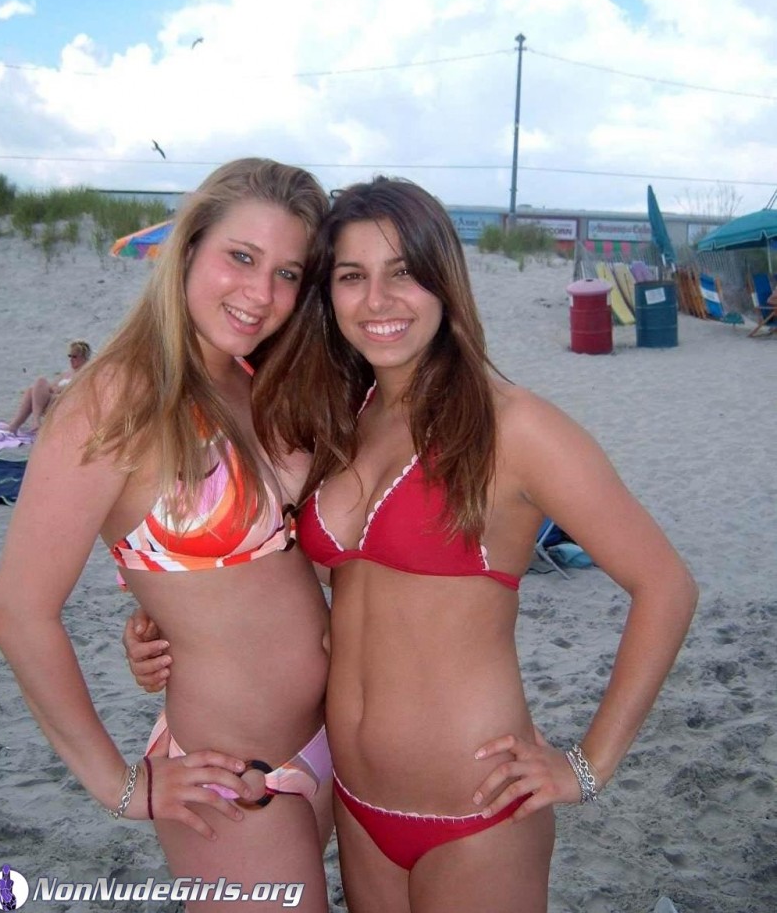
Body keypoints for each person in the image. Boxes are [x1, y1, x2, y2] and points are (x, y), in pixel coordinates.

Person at [127, 176, 698, 912]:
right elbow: (298, 577)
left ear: (443, 281)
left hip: (475, 810)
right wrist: (163, 623)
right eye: (352, 277)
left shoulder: (516, 427)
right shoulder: (346, 416)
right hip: (360, 806)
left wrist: (588, 766)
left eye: (403, 273)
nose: (378, 302)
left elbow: (665, 586)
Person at [0, 159, 333, 912]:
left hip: (326, 740)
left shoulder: (253, 377)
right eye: (240, 257)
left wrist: (154, 615)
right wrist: (119, 785)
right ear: (190, 248)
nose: (259, 293)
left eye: (286, 273)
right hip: (231, 773)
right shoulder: (112, 397)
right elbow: (18, 611)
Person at [4, 339, 91, 435]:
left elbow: (77, 390)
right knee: (33, 389)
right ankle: (14, 426)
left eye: (74, 357)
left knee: (41, 386)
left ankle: (35, 421)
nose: (71, 359)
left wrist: (56, 390)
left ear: (84, 357)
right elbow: (53, 386)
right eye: (69, 356)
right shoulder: (67, 373)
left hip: (67, 404)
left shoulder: (86, 372)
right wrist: (48, 389)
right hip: (54, 400)